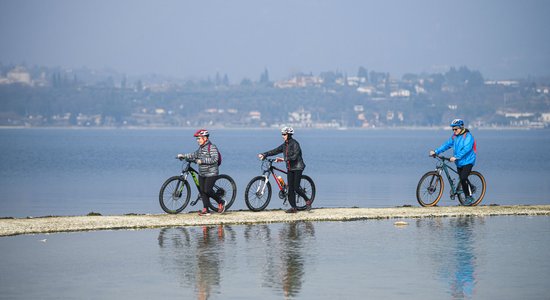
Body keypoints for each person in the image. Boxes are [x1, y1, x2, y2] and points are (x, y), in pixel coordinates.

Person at [258, 126, 311, 213]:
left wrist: (283, 159)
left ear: (289, 135)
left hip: (298, 167)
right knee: (290, 189)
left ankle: (308, 201)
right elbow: (275, 151)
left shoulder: (295, 144)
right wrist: (264, 154)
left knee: (296, 188)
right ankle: (294, 208)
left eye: (284, 134)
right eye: (282, 134)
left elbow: (295, 156)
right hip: (290, 168)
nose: (283, 136)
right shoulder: (284, 145)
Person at [177, 129, 225, 216]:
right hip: (202, 173)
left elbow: (215, 159)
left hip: (211, 173)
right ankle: (206, 209)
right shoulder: (201, 148)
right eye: (197, 139)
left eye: (199, 138)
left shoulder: (212, 147)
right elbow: (194, 154)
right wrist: (184, 156)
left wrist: (201, 161)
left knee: (207, 190)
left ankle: (221, 201)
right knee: (202, 191)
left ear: (205, 138)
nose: (197, 140)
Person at [430, 119, 477, 204]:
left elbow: (467, 149)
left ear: (461, 127)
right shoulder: (454, 137)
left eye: (456, 129)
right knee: (462, 178)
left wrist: (456, 157)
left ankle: (469, 197)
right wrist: (436, 151)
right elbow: (446, 145)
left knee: (463, 178)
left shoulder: (468, 136)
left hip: (468, 161)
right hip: (459, 162)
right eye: (453, 129)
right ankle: (471, 187)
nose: (454, 131)